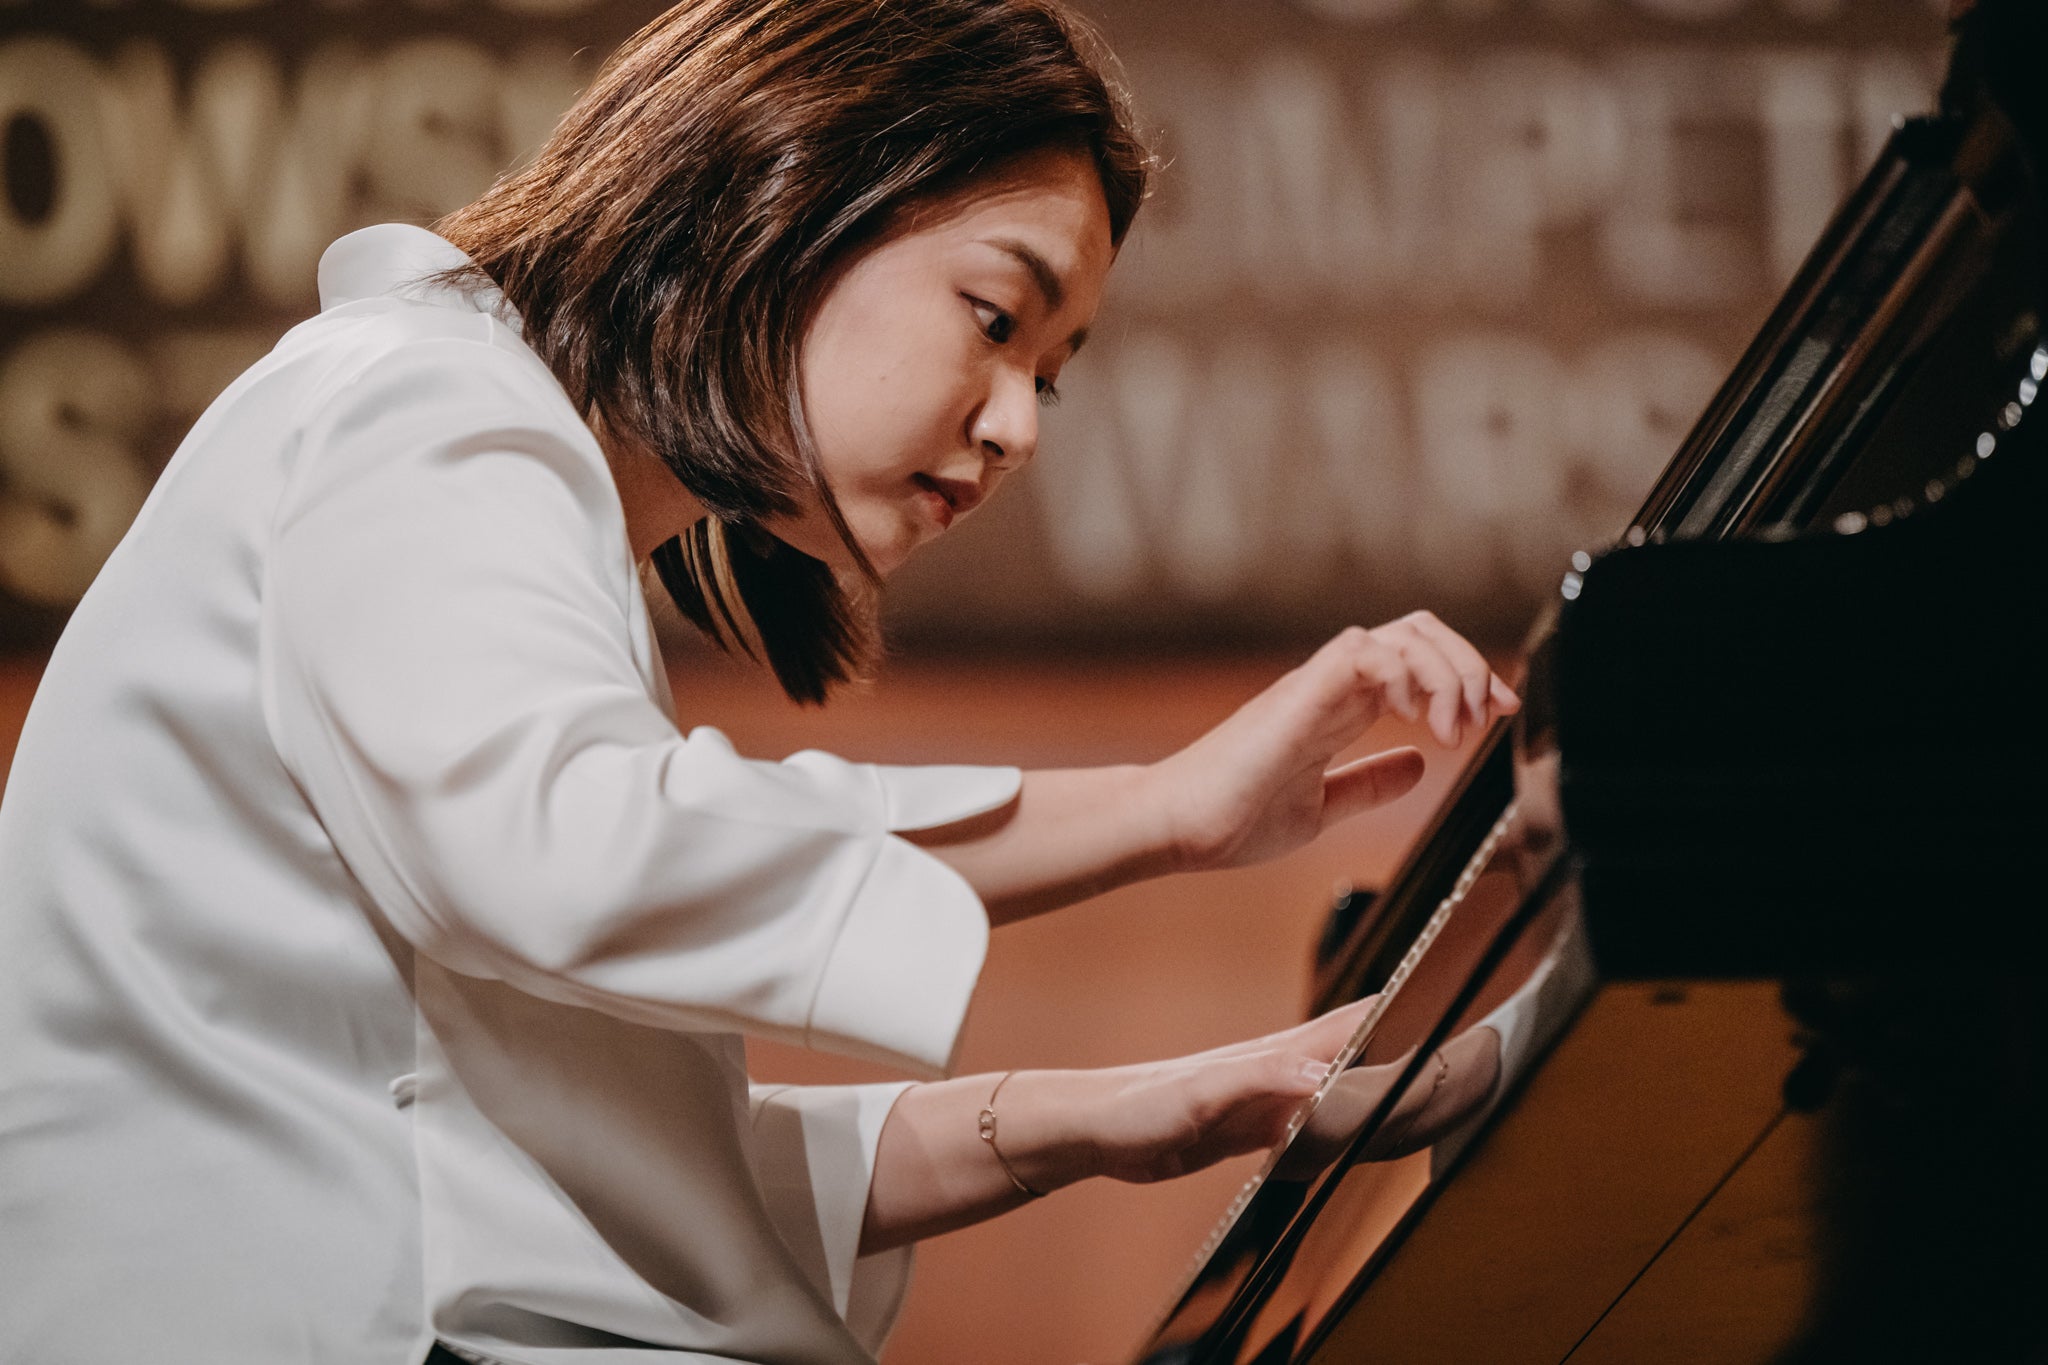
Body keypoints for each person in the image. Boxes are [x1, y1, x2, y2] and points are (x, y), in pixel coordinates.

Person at [0, 2, 1518, 1362]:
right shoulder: (421, 409)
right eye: (996, 319)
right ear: (787, 188)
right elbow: (566, 855)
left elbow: (572, 1168)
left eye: (1049, 373)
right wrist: (1158, 810)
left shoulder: (497, 491)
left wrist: (1120, 1111)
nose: (1019, 429)